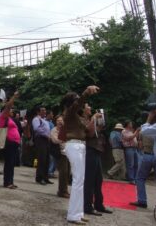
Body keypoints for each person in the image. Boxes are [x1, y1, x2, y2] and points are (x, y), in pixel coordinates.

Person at [61, 85, 99, 225]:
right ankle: (73, 215)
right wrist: (86, 92)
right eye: (76, 99)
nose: (79, 101)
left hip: (80, 146)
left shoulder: (76, 116)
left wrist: (94, 120)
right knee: (78, 181)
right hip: (74, 145)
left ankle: (78, 213)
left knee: (80, 181)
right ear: (71, 102)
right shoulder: (69, 112)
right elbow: (79, 103)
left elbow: (87, 132)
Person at [82, 103, 112, 216]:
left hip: (97, 150)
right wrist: (94, 119)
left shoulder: (90, 120)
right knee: (89, 180)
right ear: (84, 110)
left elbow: (98, 131)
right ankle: (87, 206)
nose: (90, 107)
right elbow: (89, 134)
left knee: (98, 180)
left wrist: (100, 122)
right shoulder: (83, 120)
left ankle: (99, 204)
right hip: (89, 150)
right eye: (88, 106)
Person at [0, 91, 20, 189]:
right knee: (9, 163)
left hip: (14, 143)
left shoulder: (10, 119)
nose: (12, 111)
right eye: (10, 110)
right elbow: (8, 106)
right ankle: (7, 182)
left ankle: (10, 181)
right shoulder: (3, 117)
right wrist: (14, 96)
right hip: (9, 142)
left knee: (11, 163)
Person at [50, 115, 70, 198]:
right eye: (58, 120)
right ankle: (62, 191)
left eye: (61, 120)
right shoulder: (54, 130)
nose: (60, 122)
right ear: (56, 122)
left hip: (68, 153)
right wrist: (63, 138)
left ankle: (65, 190)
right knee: (63, 172)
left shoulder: (66, 130)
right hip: (60, 153)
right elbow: (55, 140)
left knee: (67, 172)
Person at [32, 106, 53, 185]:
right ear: (38, 112)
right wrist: (45, 134)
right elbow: (36, 129)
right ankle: (39, 178)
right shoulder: (36, 119)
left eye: (45, 110)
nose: (44, 112)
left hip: (46, 140)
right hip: (40, 140)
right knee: (42, 159)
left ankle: (45, 177)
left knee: (47, 159)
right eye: (42, 110)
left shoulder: (44, 120)